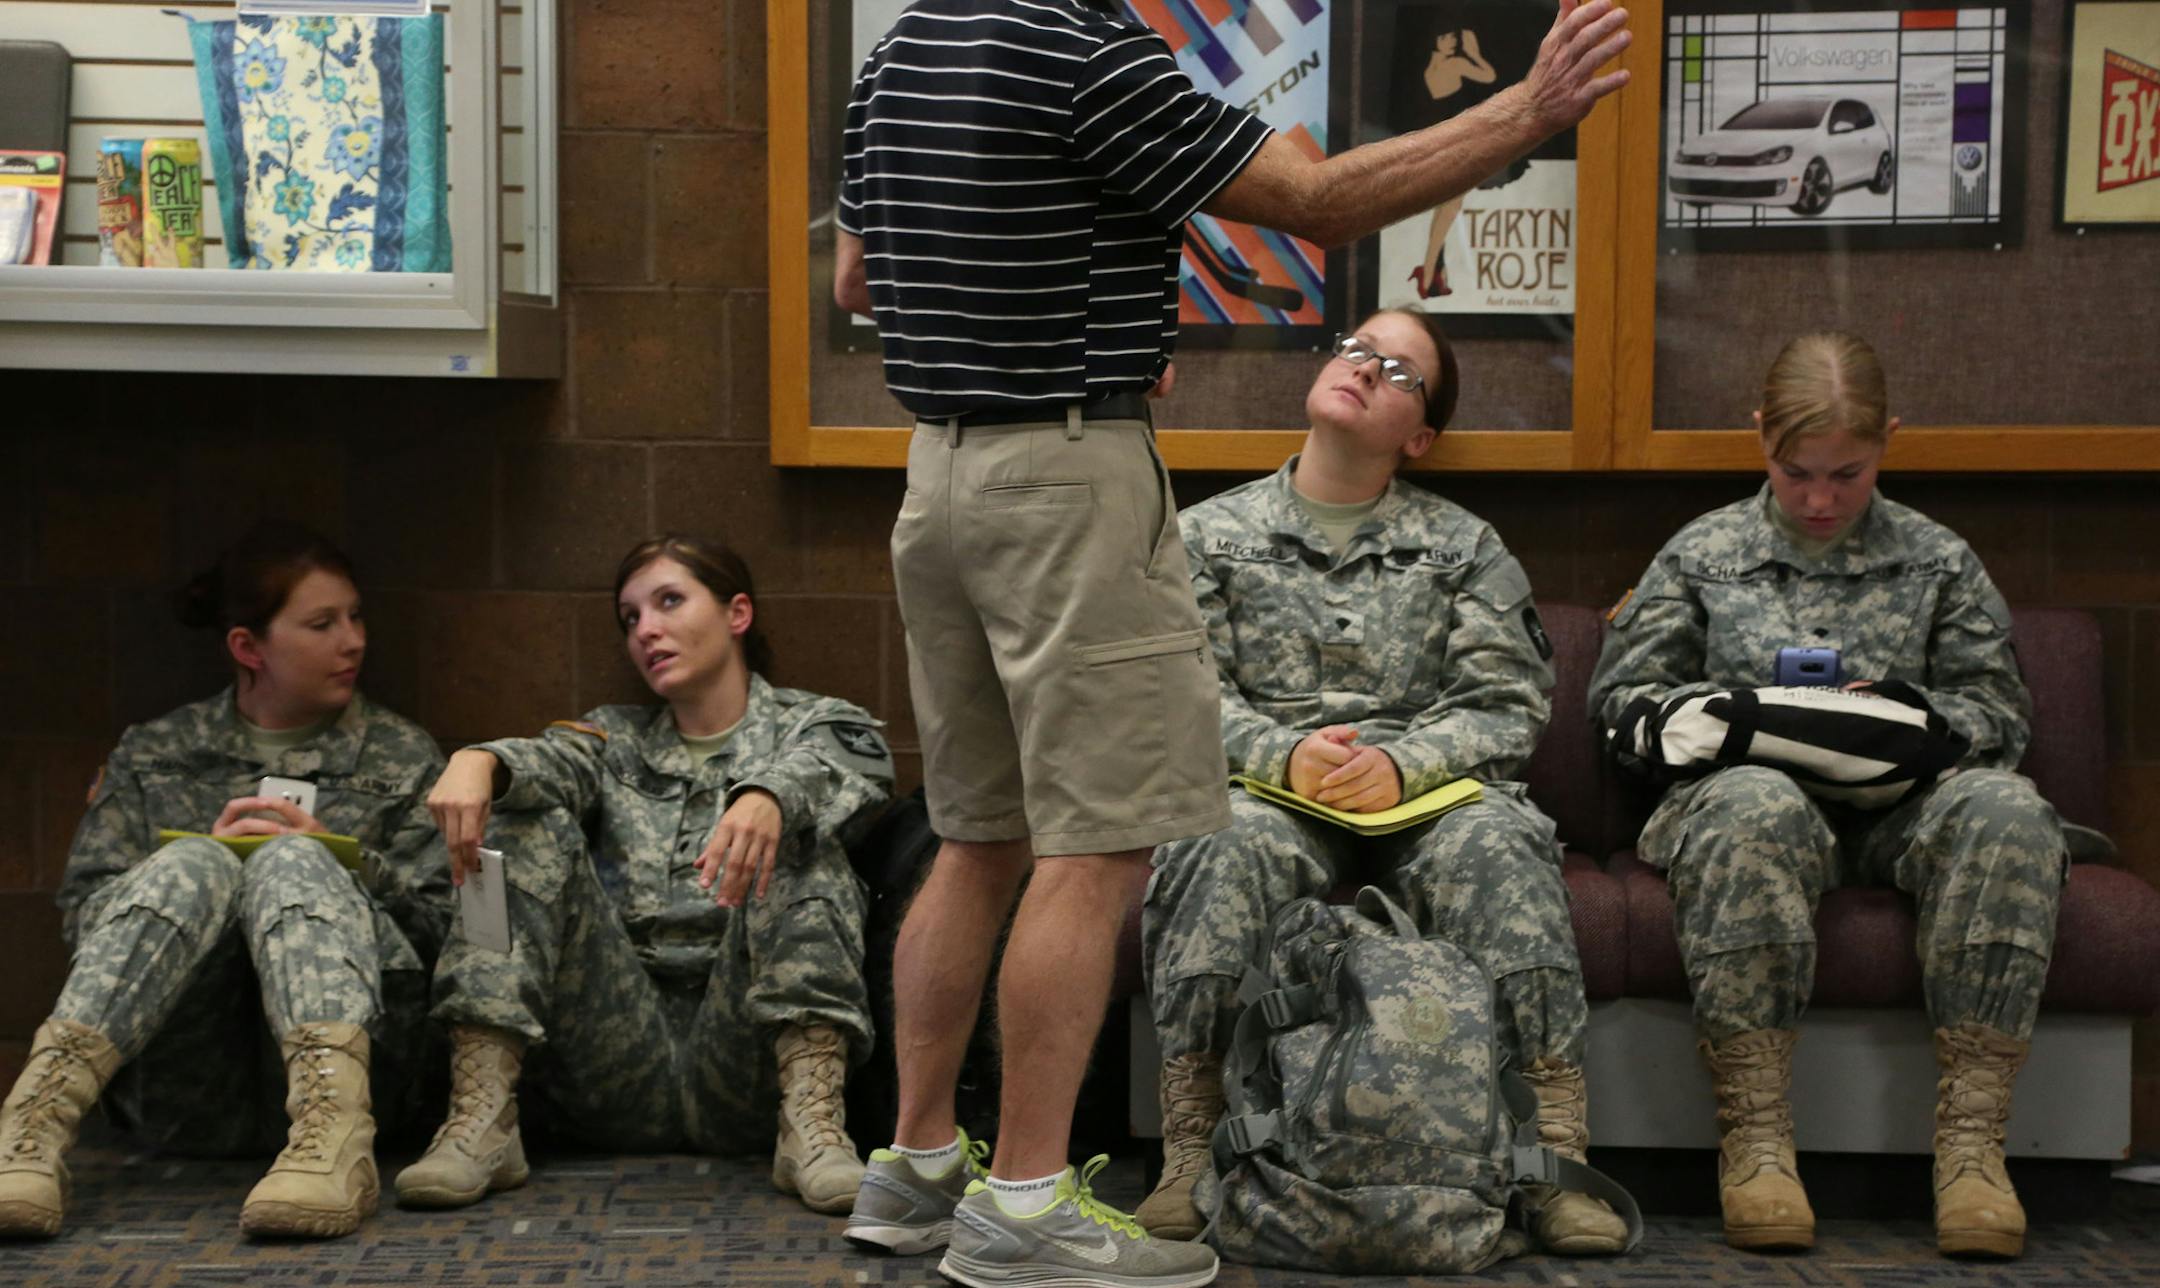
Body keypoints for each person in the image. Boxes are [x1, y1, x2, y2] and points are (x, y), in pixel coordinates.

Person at [834, 2, 1631, 1283]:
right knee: (1094, 848)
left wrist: (1053, 287)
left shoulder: (901, 51)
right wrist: (1525, 115)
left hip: (936, 473)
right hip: (1062, 472)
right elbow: (1316, 203)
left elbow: (857, 282)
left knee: (980, 832)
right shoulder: (1084, 50)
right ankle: (1023, 1207)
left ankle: (917, 1166)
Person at [1134, 308, 1628, 1257]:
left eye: (1395, 371)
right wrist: (1281, 755)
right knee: (1214, 840)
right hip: (1270, 787)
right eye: (1354, 350)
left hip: (1424, 801)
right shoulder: (1207, 535)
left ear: (1421, 434)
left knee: (1503, 849)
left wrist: (1405, 761)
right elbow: (1172, 691)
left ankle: (1550, 1163)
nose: (1362, 369)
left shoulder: (1466, 549)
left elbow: (1507, 704)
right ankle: (1191, 1148)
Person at [1587, 332, 2066, 1259]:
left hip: (1906, 807)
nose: (1818, 500)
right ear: (1759, 435)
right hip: (1748, 804)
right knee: (1754, 802)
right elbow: (1622, 708)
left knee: (2011, 811)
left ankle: (1973, 1152)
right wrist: (1741, 717)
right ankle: (1758, 1143)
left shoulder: (1936, 560)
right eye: (1794, 470)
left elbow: (2000, 713)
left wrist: (1889, 718)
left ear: (1890, 439)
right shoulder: (1705, 554)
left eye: (1848, 473)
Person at [399, 536, 892, 1217]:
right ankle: (480, 1115)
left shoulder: (810, 722)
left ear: (737, 613)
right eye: (630, 618)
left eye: (668, 602)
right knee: (521, 820)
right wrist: (482, 761)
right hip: (612, 1051)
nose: (647, 631)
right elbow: (551, 762)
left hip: (749, 1057)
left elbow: (863, 766)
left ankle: (815, 1123)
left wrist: (770, 795)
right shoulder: (615, 738)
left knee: (802, 832)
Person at [0, 521, 451, 1240]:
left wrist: (352, 866)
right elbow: (85, 920)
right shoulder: (157, 755)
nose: (354, 641)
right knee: (197, 860)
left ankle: (330, 1137)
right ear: (248, 647)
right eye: (322, 623)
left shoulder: (401, 755)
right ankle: (33, 1128)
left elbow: (446, 933)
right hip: (182, 1084)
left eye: (356, 616)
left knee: (296, 858)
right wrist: (195, 873)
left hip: (370, 1086)